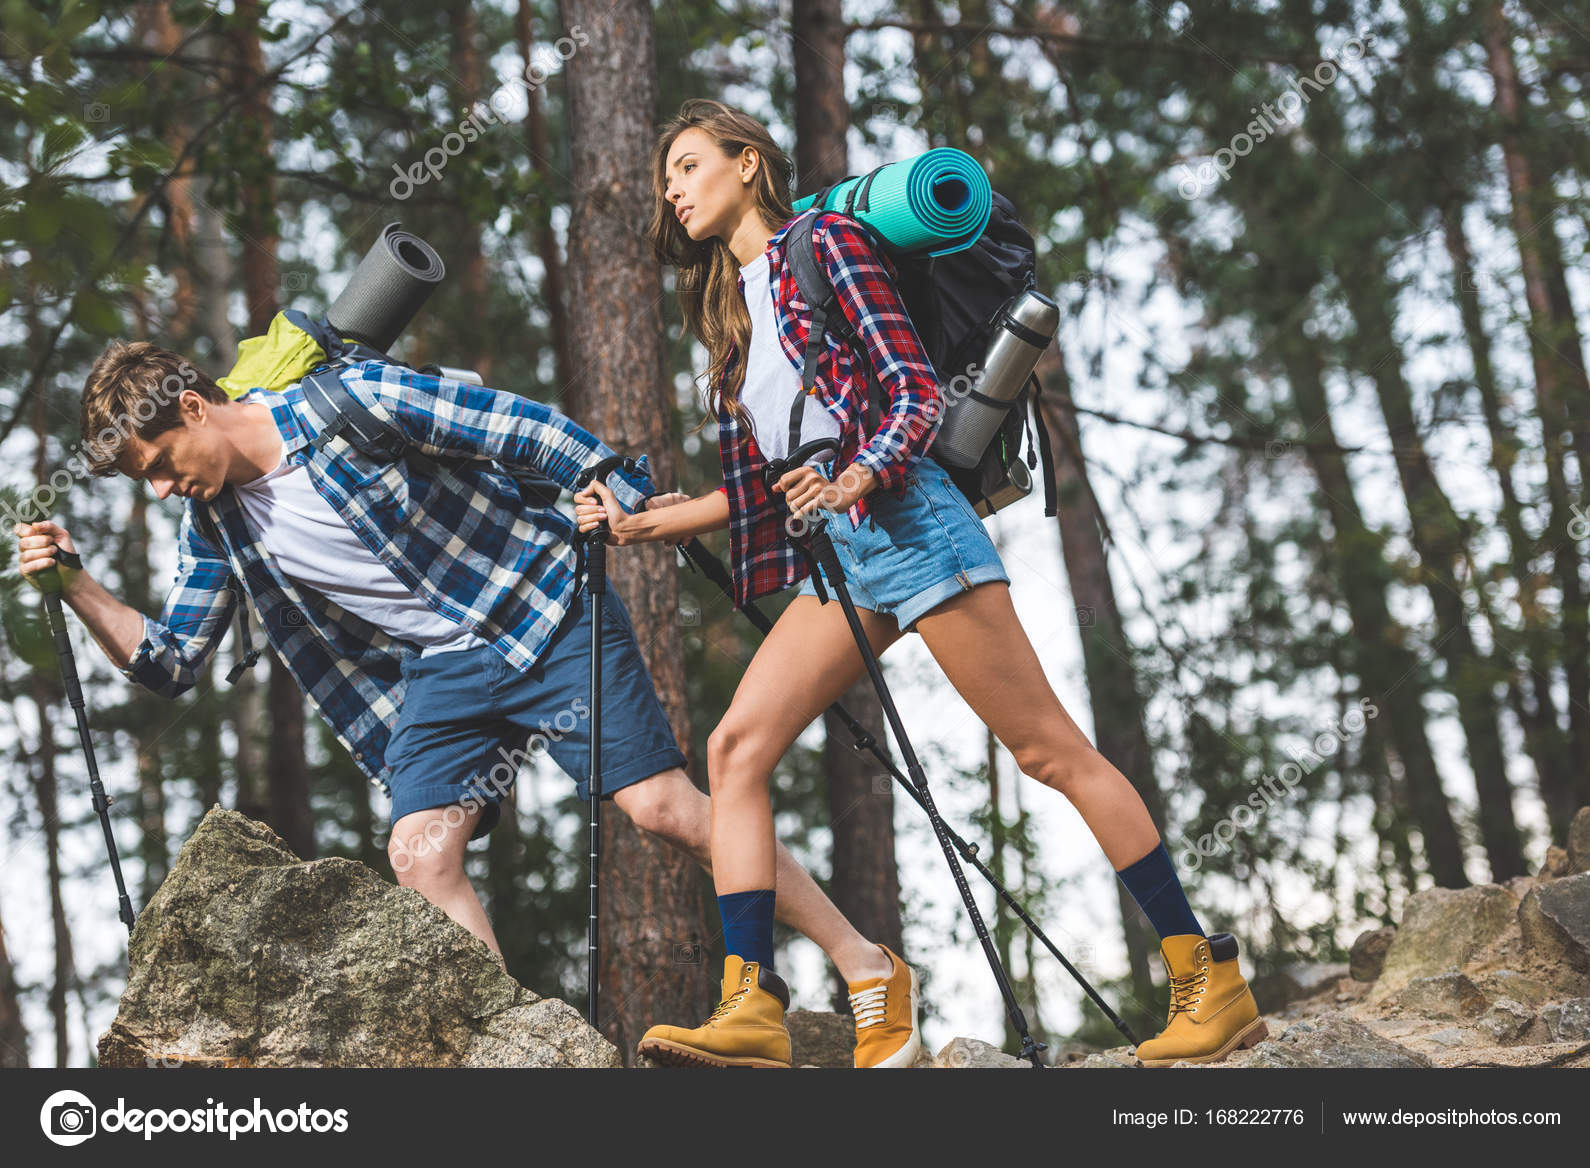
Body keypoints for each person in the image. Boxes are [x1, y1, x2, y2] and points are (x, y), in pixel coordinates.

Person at [575, 98, 1268, 1068]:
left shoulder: (828, 245)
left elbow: (910, 389)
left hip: (912, 520)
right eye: (665, 180)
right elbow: (757, 491)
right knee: (735, 749)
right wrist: (639, 522)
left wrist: (858, 473)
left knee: (1046, 750)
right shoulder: (733, 321)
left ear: (746, 163)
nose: (673, 191)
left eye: (688, 166)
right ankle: (753, 1003)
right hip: (849, 555)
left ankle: (1208, 974)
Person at [13, 340, 922, 1067]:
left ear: (193, 408)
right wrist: (76, 584)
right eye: (148, 483)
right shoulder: (212, 524)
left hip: (542, 606)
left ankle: (864, 963)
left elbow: (514, 429)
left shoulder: (345, 404)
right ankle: (513, 1053)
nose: (166, 489)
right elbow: (170, 659)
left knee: (664, 810)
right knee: (420, 854)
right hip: (441, 673)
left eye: (161, 464)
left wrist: (617, 484)